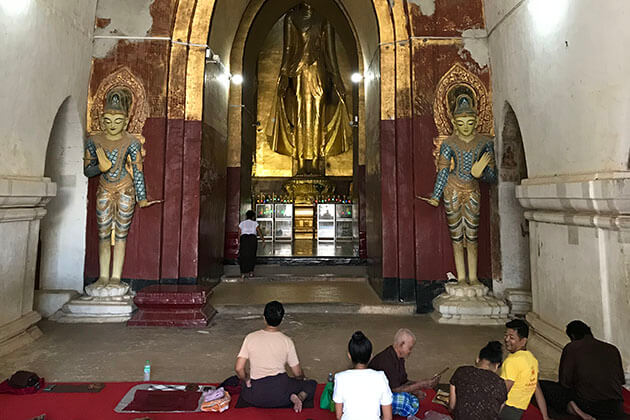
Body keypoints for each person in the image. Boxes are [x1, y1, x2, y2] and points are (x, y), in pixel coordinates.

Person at [83, 87, 159, 290]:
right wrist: (100, 167)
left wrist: (141, 197)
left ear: (126, 121)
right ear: (101, 119)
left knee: (121, 234)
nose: (112, 125)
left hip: (126, 188)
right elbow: (87, 171)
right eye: (107, 120)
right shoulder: (95, 141)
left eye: (118, 121)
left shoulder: (131, 142)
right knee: (103, 234)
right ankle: (102, 276)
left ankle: (116, 276)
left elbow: (137, 171)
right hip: (104, 188)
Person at [419, 91, 497, 285]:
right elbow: (443, 171)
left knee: (472, 235)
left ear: (477, 119)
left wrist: (481, 173)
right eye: (461, 123)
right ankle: (461, 277)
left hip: (473, 190)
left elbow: (493, 176)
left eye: (470, 122)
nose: (465, 127)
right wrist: (436, 195)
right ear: (453, 122)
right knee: (456, 235)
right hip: (452, 190)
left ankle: (473, 277)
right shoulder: (449, 144)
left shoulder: (485, 143)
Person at [234, 301, 316, 412]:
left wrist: (246, 379)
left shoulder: (250, 338)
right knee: (311, 384)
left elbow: (239, 368)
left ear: (264, 318)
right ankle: (298, 397)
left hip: (256, 396)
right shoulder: (287, 341)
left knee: (242, 385)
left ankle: (291, 394)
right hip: (281, 392)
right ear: (281, 319)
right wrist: (301, 380)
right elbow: (297, 374)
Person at [540, 320, 626, 419]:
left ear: (572, 336)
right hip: (616, 407)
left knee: (542, 387)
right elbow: (621, 380)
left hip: (588, 406)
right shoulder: (612, 349)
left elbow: (564, 382)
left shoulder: (572, 347)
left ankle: (576, 410)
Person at [368, 329, 440, 419]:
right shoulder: (387, 360)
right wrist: (420, 385)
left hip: (390, 391)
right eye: (410, 348)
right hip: (374, 397)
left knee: (411, 397)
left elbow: (404, 382)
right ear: (401, 344)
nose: (410, 351)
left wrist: (421, 385)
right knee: (404, 401)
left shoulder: (399, 358)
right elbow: (395, 390)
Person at [333, 331, 393, 420]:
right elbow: (388, 417)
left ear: (349, 355)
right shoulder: (380, 377)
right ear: (371, 356)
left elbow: (339, 416)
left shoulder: (340, 378)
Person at [500, 319, 553, 420]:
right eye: (506, 335)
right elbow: (537, 389)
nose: (506, 340)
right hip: (523, 408)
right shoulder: (532, 359)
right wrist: (545, 416)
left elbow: (503, 391)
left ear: (523, 341)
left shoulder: (512, 361)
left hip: (509, 410)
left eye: (511, 337)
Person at [449, 341, 507, 420]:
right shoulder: (500, 383)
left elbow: (452, 406)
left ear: (477, 359)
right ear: (497, 366)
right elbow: (497, 411)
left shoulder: (461, 371)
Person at [238, 210, 264, 278]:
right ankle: (251, 272)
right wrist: (263, 240)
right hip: (252, 239)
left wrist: (239, 242)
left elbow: (239, 233)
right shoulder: (255, 223)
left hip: (244, 239)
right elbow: (259, 232)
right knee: (252, 255)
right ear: (253, 217)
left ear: (246, 216)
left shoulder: (242, 223)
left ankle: (243, 273)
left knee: (243, 255)